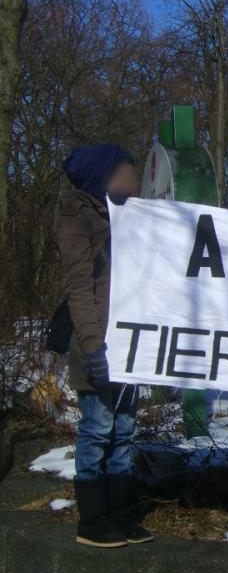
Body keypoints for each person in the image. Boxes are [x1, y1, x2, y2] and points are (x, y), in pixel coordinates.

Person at [55, 144, 153, 548]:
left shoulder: (128, 216)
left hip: (130, 344)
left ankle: (118, 512)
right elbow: (79, 289)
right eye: (126, 170)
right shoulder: (78, 220)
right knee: (98, 428)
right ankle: (93, 519)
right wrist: (94, 348)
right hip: (97, 343)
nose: (134, 177)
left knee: (125, 429)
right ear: (103, 176)